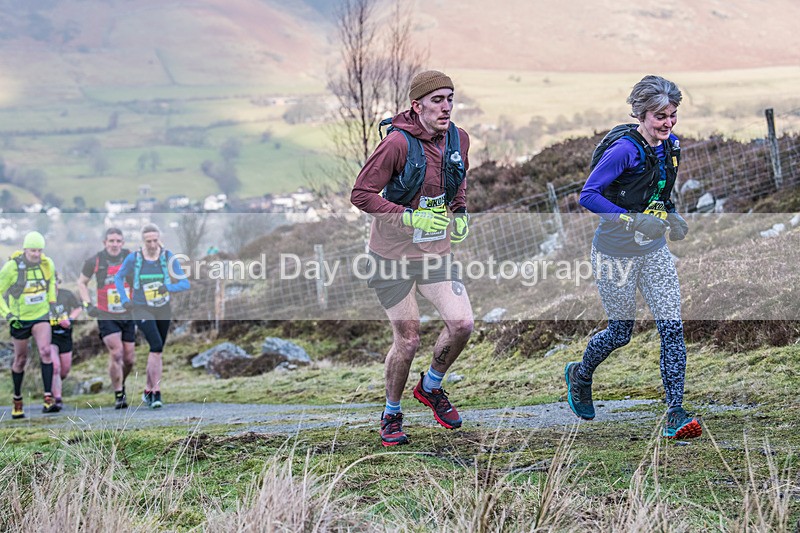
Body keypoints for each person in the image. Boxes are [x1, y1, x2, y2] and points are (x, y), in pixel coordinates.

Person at [566, 75, 700, 439]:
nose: (668, 123)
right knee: (620, 333)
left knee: (671, 327)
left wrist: (671, 215)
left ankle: (675, 412)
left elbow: (657, 191)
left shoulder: (671, 146)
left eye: (672, 114)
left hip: (654, 252)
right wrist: (633, 220)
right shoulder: (624, 151)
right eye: (660, 116)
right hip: (614, 254)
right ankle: (580, 374)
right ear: (641, 115)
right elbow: (588, 195)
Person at [351, 70, 474, 446]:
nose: (446, 107)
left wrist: (460, 212)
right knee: (407, 340)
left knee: (462, 324)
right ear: (417, 106)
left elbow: (458, 177)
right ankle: (391, 413)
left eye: (450, 98)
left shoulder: (459, 138)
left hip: (434, 251)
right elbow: (361, 194)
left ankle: (431, 387)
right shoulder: (397, 144)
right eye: (437, 100)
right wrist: (409, 217)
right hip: (390, 256)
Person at [114, 223, 189, 409]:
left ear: (159, 239)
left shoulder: (168, 257)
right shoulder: (134, 258)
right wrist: (124, 299)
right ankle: (156, 393)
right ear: (143, 241)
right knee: (155, 345)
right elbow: (118, 277)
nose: (153, 244)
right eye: (149, 241)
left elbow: (185, 283)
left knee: (157, 350)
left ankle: (147, 390)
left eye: (155, 240)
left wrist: (167, 287)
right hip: (141, 308)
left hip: (162, 308)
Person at [0, 231, 59, 417]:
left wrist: (52, 303)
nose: (36, 254)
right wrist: (8, 315)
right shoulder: (12, 267)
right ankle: (17, 400)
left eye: (39, 250)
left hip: (41, 315)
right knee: (20, 359)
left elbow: (51, 282)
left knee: (46, 351)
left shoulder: (47, 263)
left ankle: (48, 398)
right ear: (25, 249)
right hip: (19, 319)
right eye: (33, 250)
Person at [77, 227, 136, 409]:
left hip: (128, 312)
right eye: (111, 241)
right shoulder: (95, 261)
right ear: (105, 243)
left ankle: (120, 381)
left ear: (123, 243)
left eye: (118, 241)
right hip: (106, 314)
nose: (115, 244)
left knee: (129, 359)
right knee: (116, 353)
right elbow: (81, 282)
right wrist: (88, 304)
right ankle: (119, 394)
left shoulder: (131, 257)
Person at [49, 273, 83, 410]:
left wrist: (70, 319)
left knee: (64, 371)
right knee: (55, 367)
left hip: (65, 335)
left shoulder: (66, 294)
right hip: (49, 337)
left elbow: (79, 307)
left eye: (54, 281)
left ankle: (52, 386)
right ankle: (57, 399)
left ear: (58, 281)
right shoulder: (42, 298)